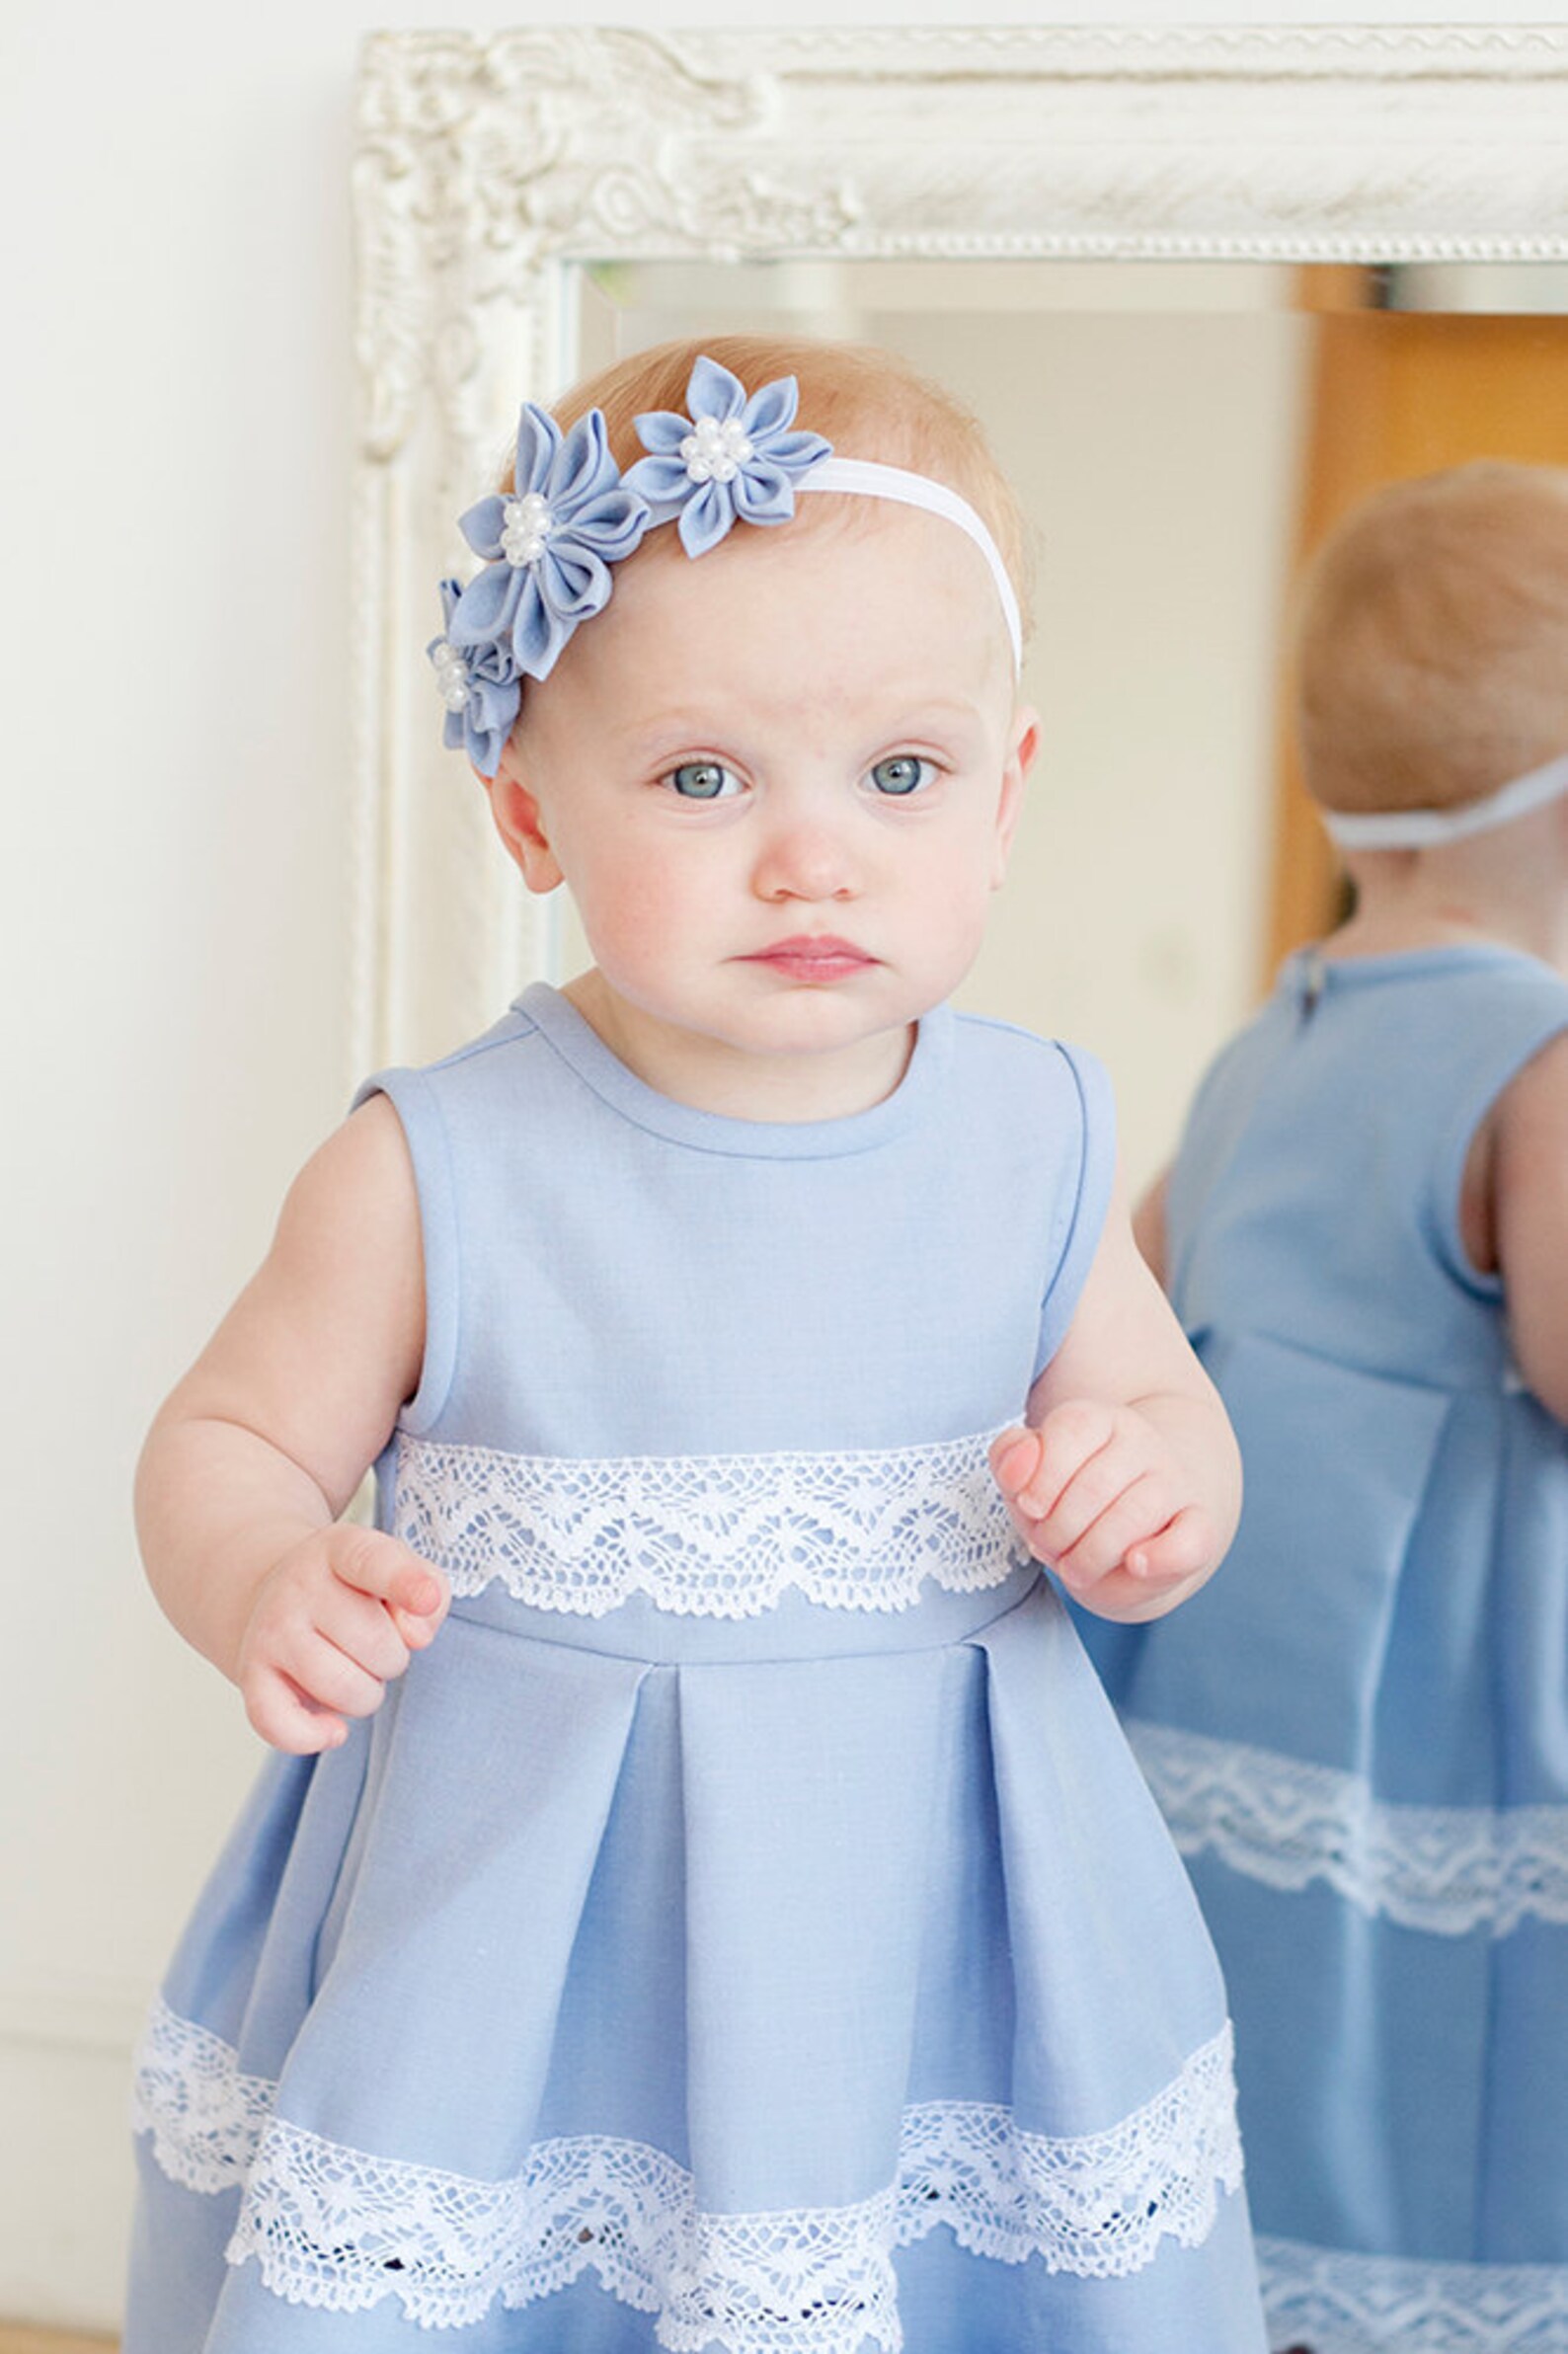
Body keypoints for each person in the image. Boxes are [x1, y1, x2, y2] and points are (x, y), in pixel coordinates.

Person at [124, 333, 1265, 2353]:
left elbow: (1154, 1401)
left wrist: (1152, 1489)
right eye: (699, 777)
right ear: (528, 815)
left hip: (934, 1946)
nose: (808, 852)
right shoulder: (440, 1160)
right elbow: (227, 1437)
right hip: (533, 1961)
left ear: (1001, 795)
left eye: (896, 774)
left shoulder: (1034, 1133)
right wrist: (264, 1576)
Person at [1079, 460, 1568, 2353]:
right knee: (1449, 2024)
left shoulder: (1266, 1038)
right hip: (1442, 1675)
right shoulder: (1533, 1049)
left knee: (1277, 2001)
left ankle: (1252, 2291)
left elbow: (1123, 1282)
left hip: (1233, 1659)